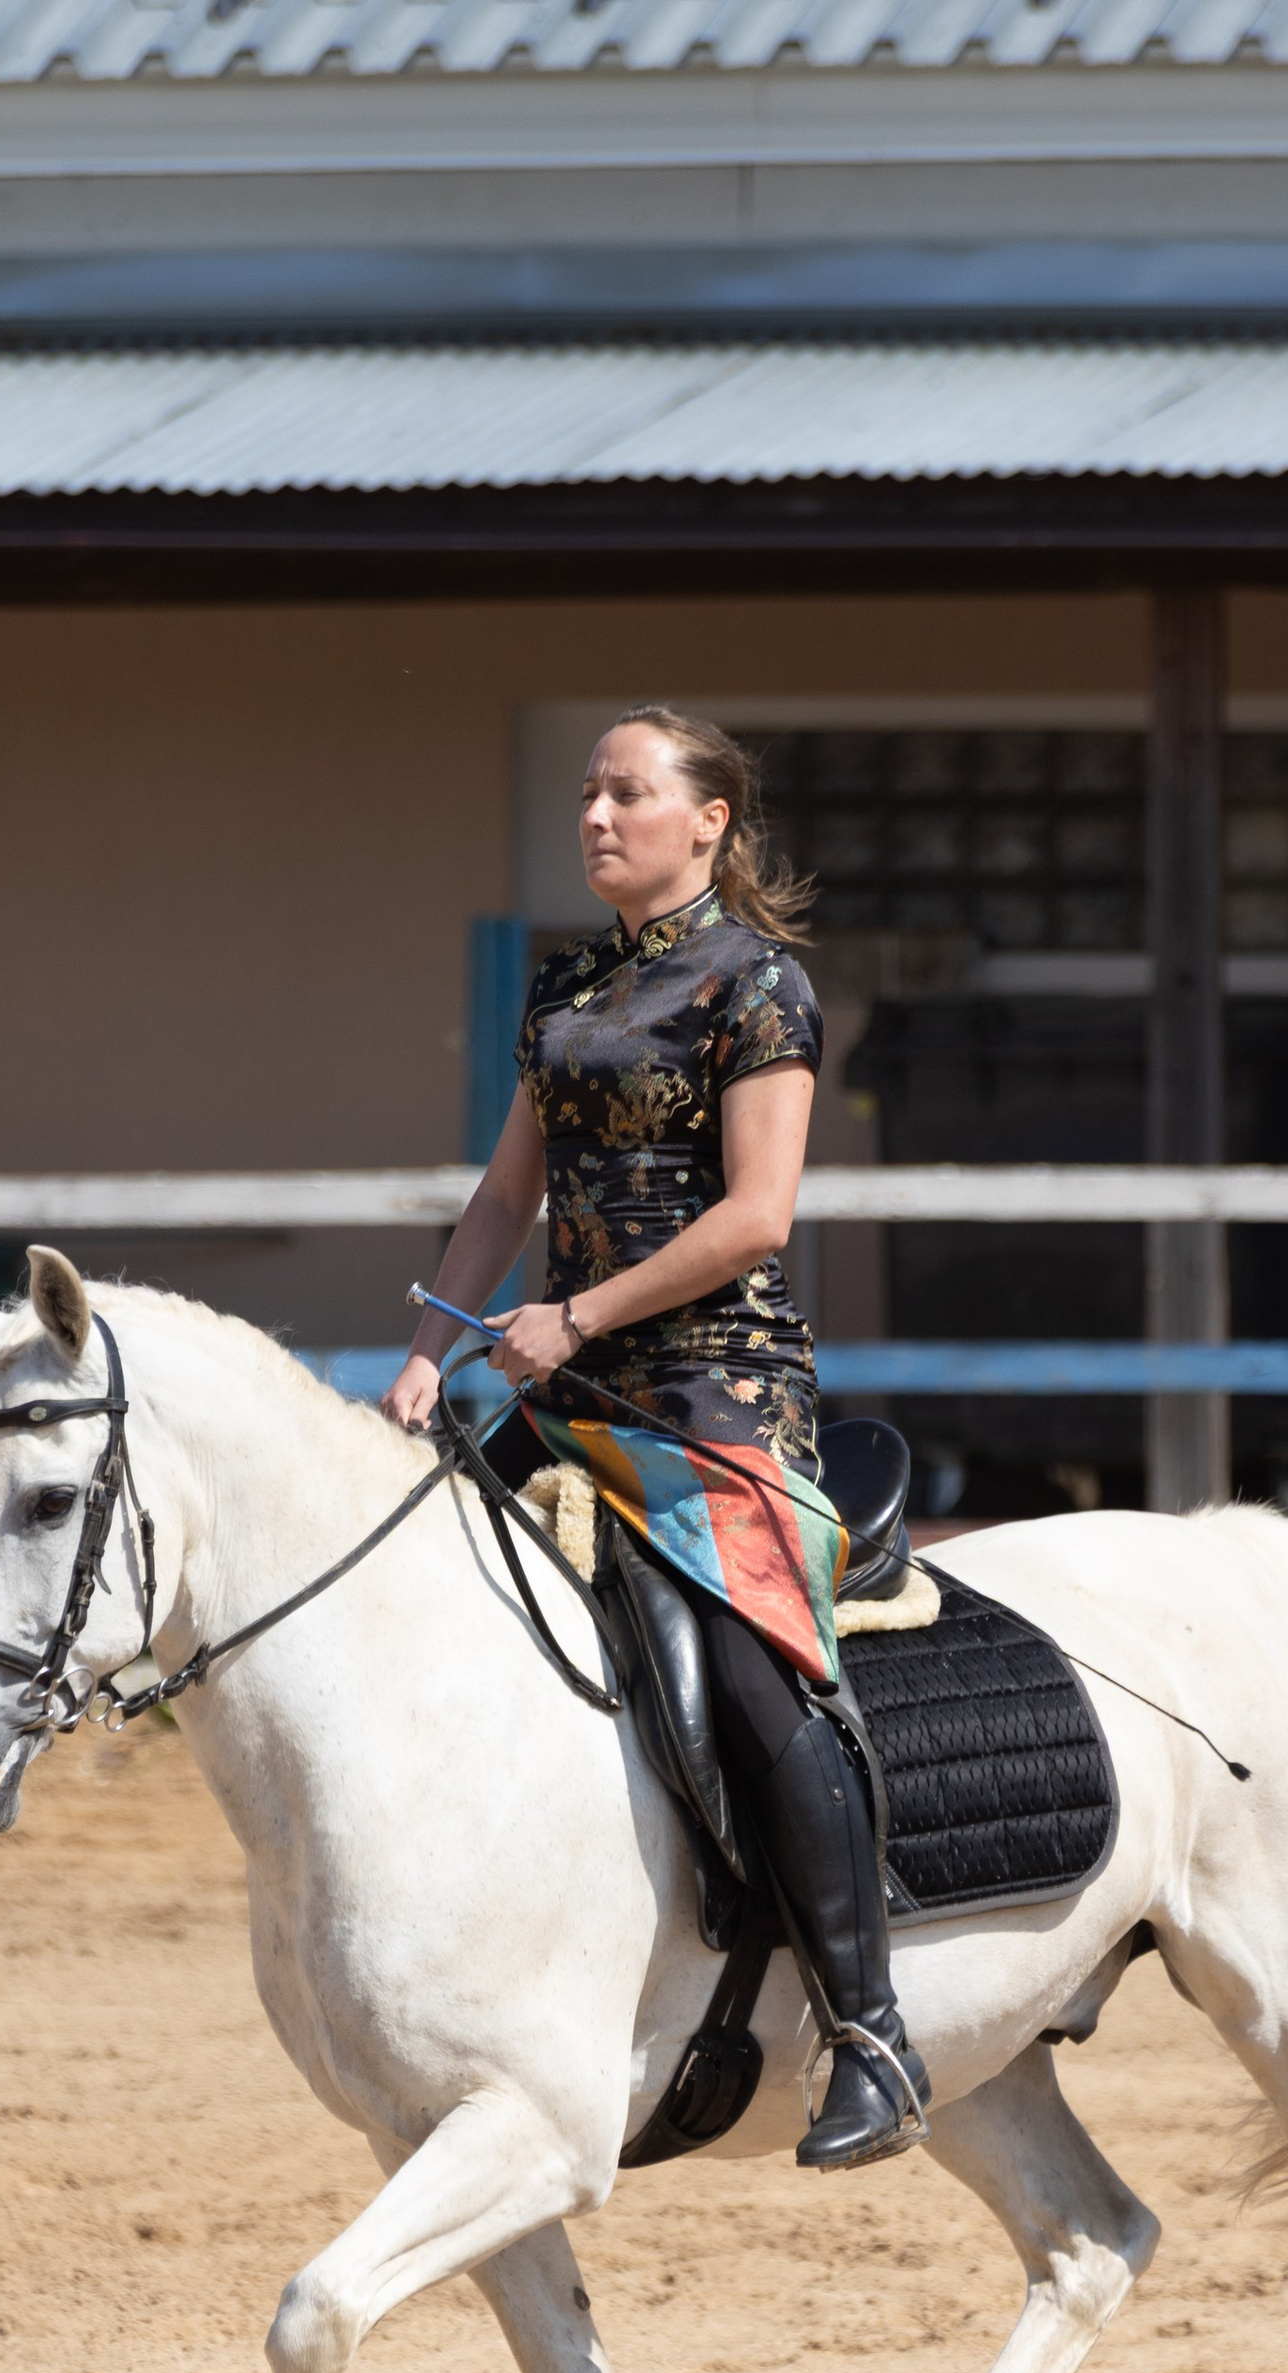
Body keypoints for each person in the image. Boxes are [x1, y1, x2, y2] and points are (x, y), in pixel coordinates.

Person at [383, 704, 928, 2172]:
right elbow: (506, 1201)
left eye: (631, 793)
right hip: (563, 1390)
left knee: (755, 1674)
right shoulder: (563, 994)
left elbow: (759, 1215)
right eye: (588, 793)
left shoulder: (761, 986)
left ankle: (870, 2028)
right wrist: (432, 1352)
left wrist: (579, 1314)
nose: (598, 815)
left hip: (714, 1395)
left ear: (711, 825)